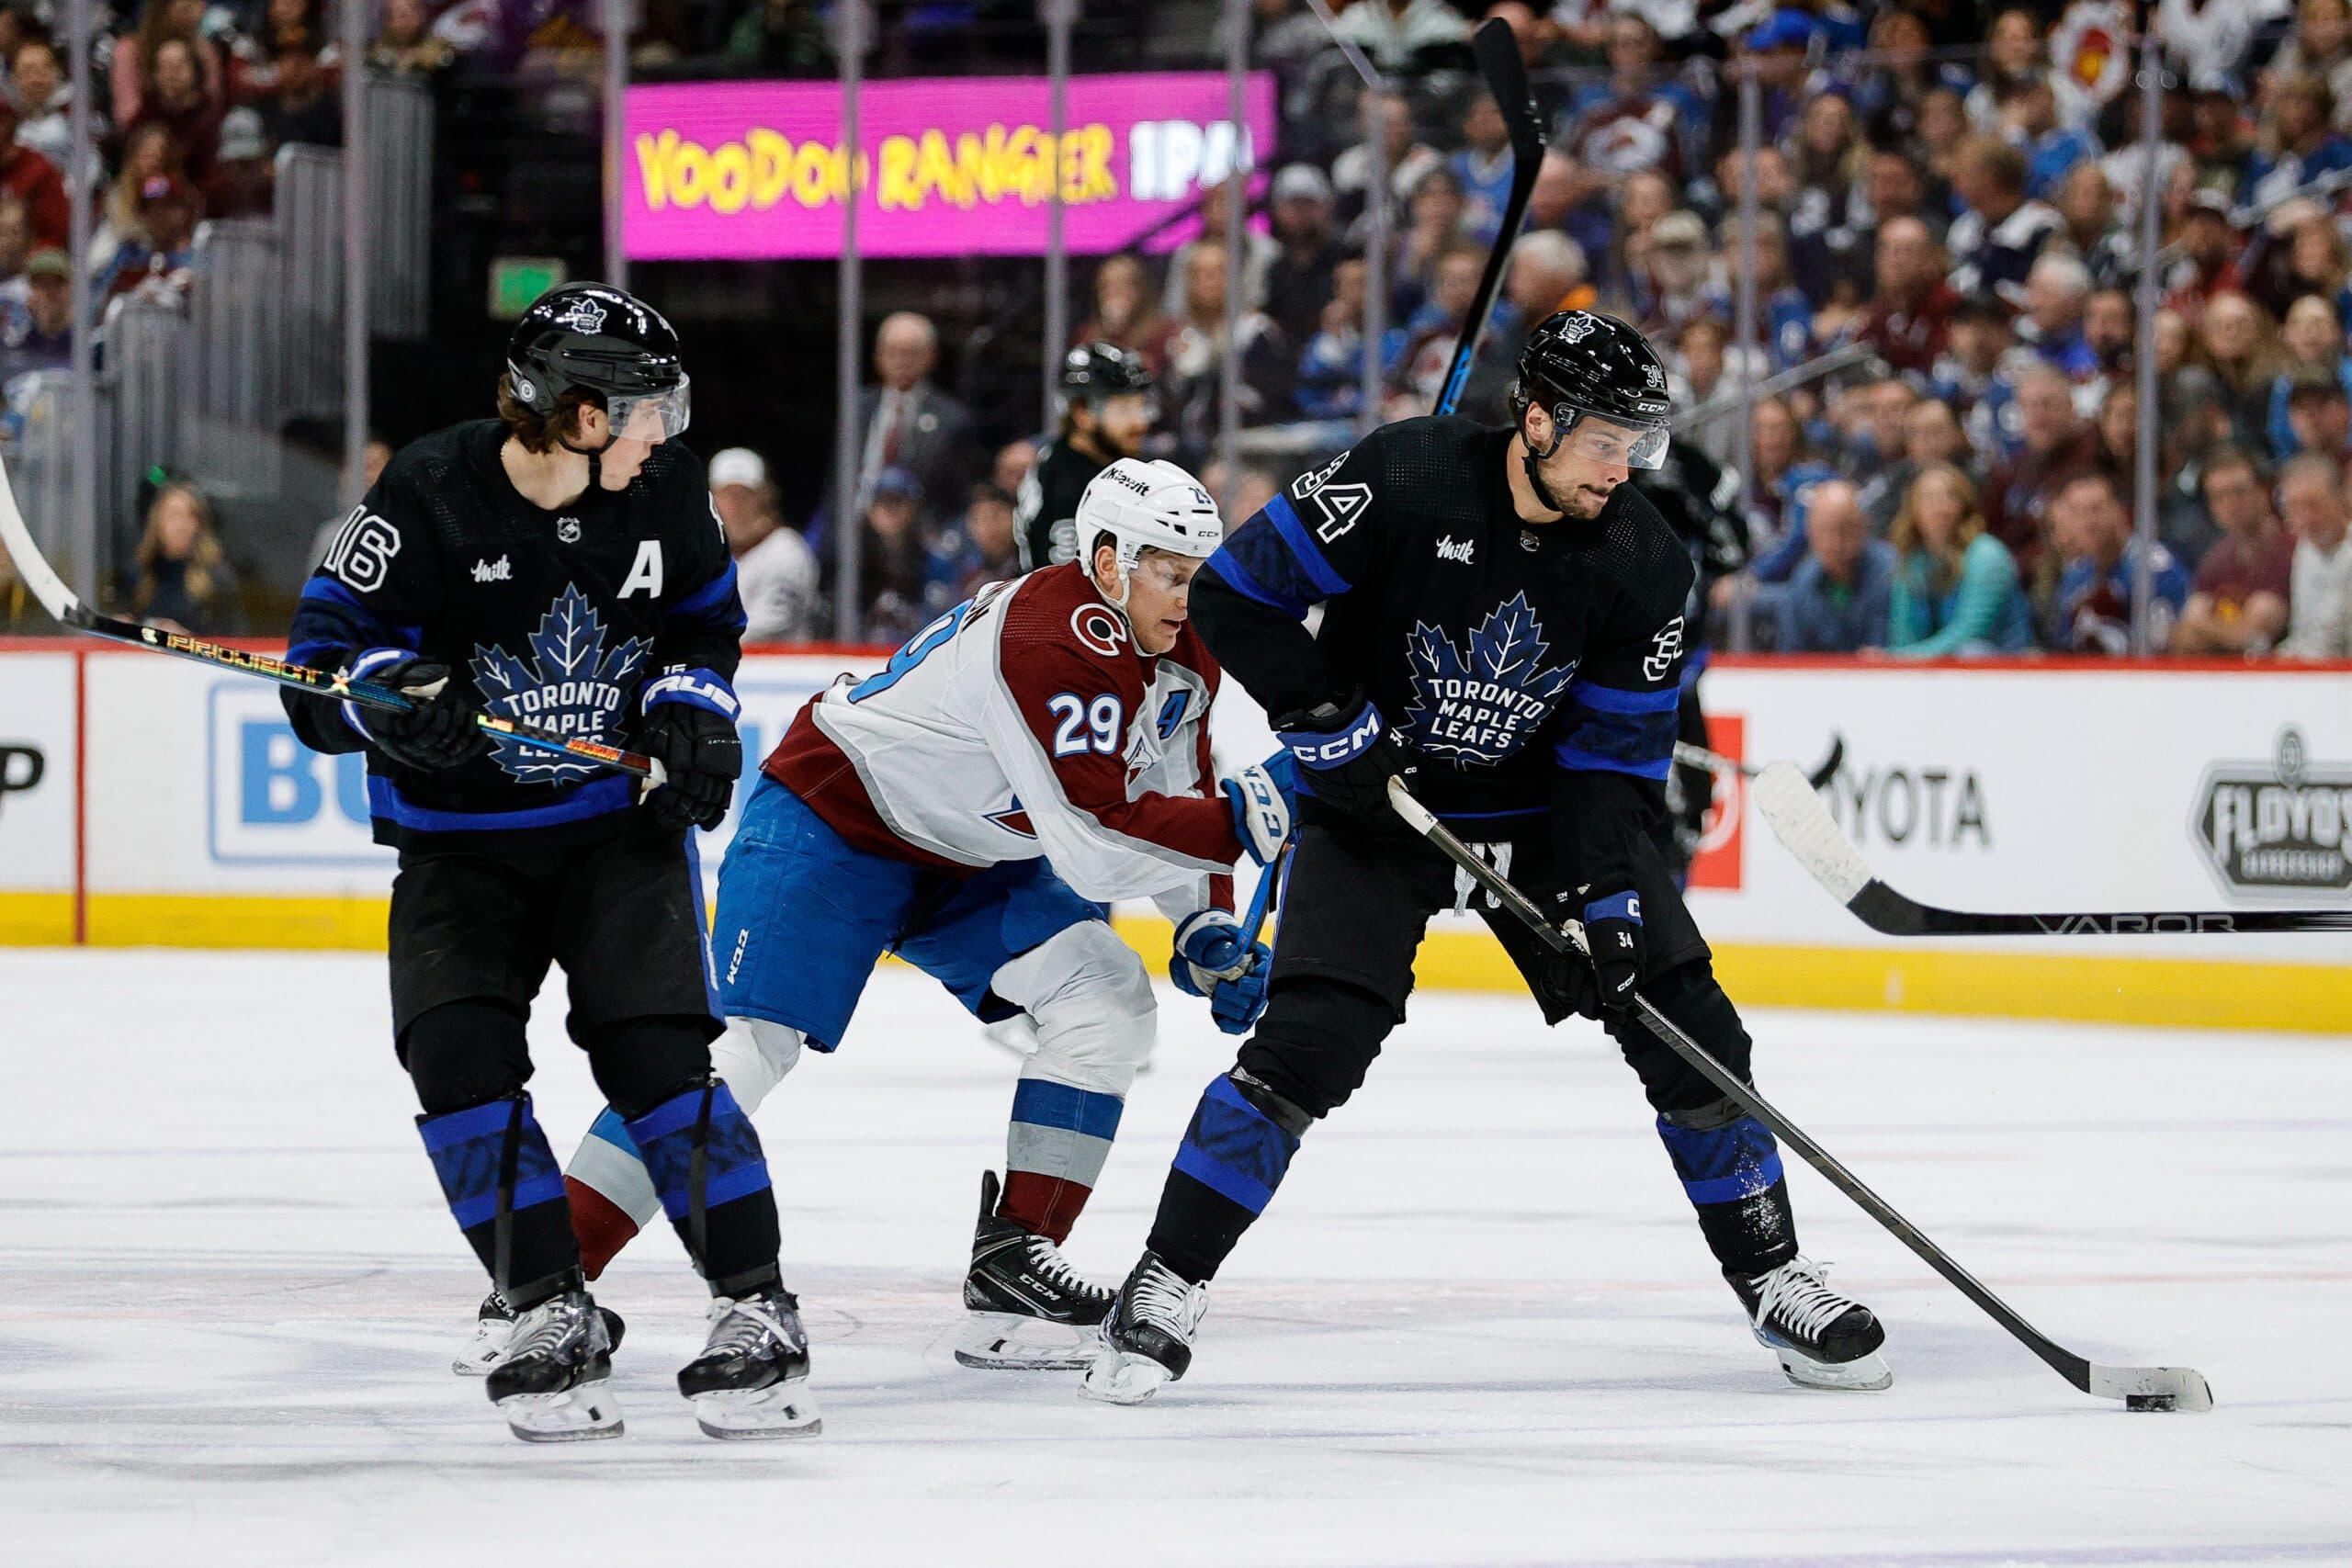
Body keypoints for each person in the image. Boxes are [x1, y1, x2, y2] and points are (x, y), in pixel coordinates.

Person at [1083, 310, 1891, 1405]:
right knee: (1311, 1042)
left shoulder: (1645, 559)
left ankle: (1774, 1276)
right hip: (1378, 806)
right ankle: (1164, 1279)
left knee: (1690, 1027)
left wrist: (1607, 894)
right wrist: (1326, 716)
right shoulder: (1405, 472)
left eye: (1639, 445)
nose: (1624, 467)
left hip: (1546, 821)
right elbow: (1235, 595)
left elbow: (1612, 762)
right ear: (1540, 419)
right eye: (1605, 440)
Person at [560, 457, 1295, 1379]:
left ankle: (1013, 1272)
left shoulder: (1186, 649)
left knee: (1106, 999)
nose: (1192, 595)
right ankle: (545, 1286)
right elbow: (1093, 845)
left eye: (1199, 570)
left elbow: (1172, 784)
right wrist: (1246, 824)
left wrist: (1200, 927)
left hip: (967, 859)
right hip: (839, 815)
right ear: (1107, 561)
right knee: (742, 1047)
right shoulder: (1048, 637)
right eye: (1171, 572)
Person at [280, 284, 806, 1442]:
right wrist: (383, 704)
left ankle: (757, 1308)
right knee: (455, 1060)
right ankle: (548, 1305)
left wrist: (692, 706)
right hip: (460, 850)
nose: (663, 430)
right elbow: (315, 671)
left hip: (619, 835)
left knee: (660, 1064)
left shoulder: (668, 493)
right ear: (574, 414)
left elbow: (705, 628)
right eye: (641, 408)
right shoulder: (425, 492)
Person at [1018, 342, 1157, 570]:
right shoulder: (1065, 485)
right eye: (1124, 409)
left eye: (1140, 407)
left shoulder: (1109, 465)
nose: (1140, 422)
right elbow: (1066, 590)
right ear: (1082, 414)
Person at [1884, 463, 2036, 658]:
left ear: (1965, 505)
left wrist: (1904, 658)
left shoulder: (1987, 555)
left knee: (1971, 651)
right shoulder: (1912, 561)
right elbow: (1902, 636)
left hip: (2002, 663)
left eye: (1949, 496)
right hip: (1934, 669)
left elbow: (1970, 632)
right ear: (1913, 508)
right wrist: (1893, 659)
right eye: (1928, 498)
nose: (1939, 507)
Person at [2049, 471, 2191, 653]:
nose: (2089, 523)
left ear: (2119, 512)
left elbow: (2163, 648)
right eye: (2078, 513)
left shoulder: (2154, 570)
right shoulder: (2075, 575)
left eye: (2097, 509)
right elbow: (2064, 649)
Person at [2175, 448, 2294, 655]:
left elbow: (2255, 632)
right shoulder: (2216, 558)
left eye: (2239, 492)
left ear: (2263, 490)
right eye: (2218, 496)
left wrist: (2208, 628)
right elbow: (2186, 632)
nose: (2230, 504)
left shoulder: (2289, 551)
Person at [712, 446, 819, 644]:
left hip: (776, 670)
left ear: (765, 497)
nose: (735, 507)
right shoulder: (708, 556)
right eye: (726, 496)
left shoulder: (787, 552)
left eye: (744, 496)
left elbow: (768, 630)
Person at [1777, 479, 1894, 652]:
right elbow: (1791, 658)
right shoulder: (1802, 582)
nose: (1836, 543)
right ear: (1811, 533)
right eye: (1825, 530)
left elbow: (1889, 649)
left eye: (1846, 529)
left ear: (1864, 527)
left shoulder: (1891, 571)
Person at [121, 480, 243, 635]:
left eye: (191, 516)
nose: (182, 525)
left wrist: (187, 640)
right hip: (144, 658)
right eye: (173, 515)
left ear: (199, 525)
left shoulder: (218, 578)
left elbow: (235, 642)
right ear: (158, 524)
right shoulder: (138, 574)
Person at [2278, 452, 2352, 656]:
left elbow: (2331, 641)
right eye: (2294, 507)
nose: (2306, 519)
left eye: (2313, 505)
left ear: (2340, 498)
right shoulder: (2305, 551)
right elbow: (2303, 633)